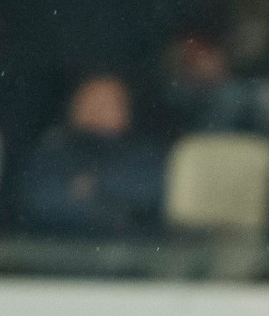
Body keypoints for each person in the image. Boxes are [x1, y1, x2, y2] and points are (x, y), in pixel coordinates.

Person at [16, 73, 167, 240]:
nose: (96, 109)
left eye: (106, 103)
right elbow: (41, 202)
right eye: (89, 100)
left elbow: (146, 198)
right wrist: (107, 204)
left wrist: (92, 188)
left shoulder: (144, 155)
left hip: (124, 251)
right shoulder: (52, 150)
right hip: (55, 247)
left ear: (125, 110)